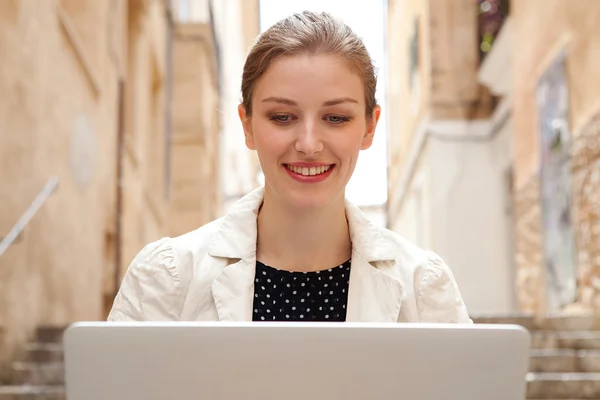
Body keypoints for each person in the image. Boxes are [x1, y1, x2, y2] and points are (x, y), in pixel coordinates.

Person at [107, 11, 471, 324]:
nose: (309, 144)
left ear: (370, 126)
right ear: (247, 125)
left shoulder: (424, 287)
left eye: (335, 117)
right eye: (282, 117)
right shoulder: (165, 277)